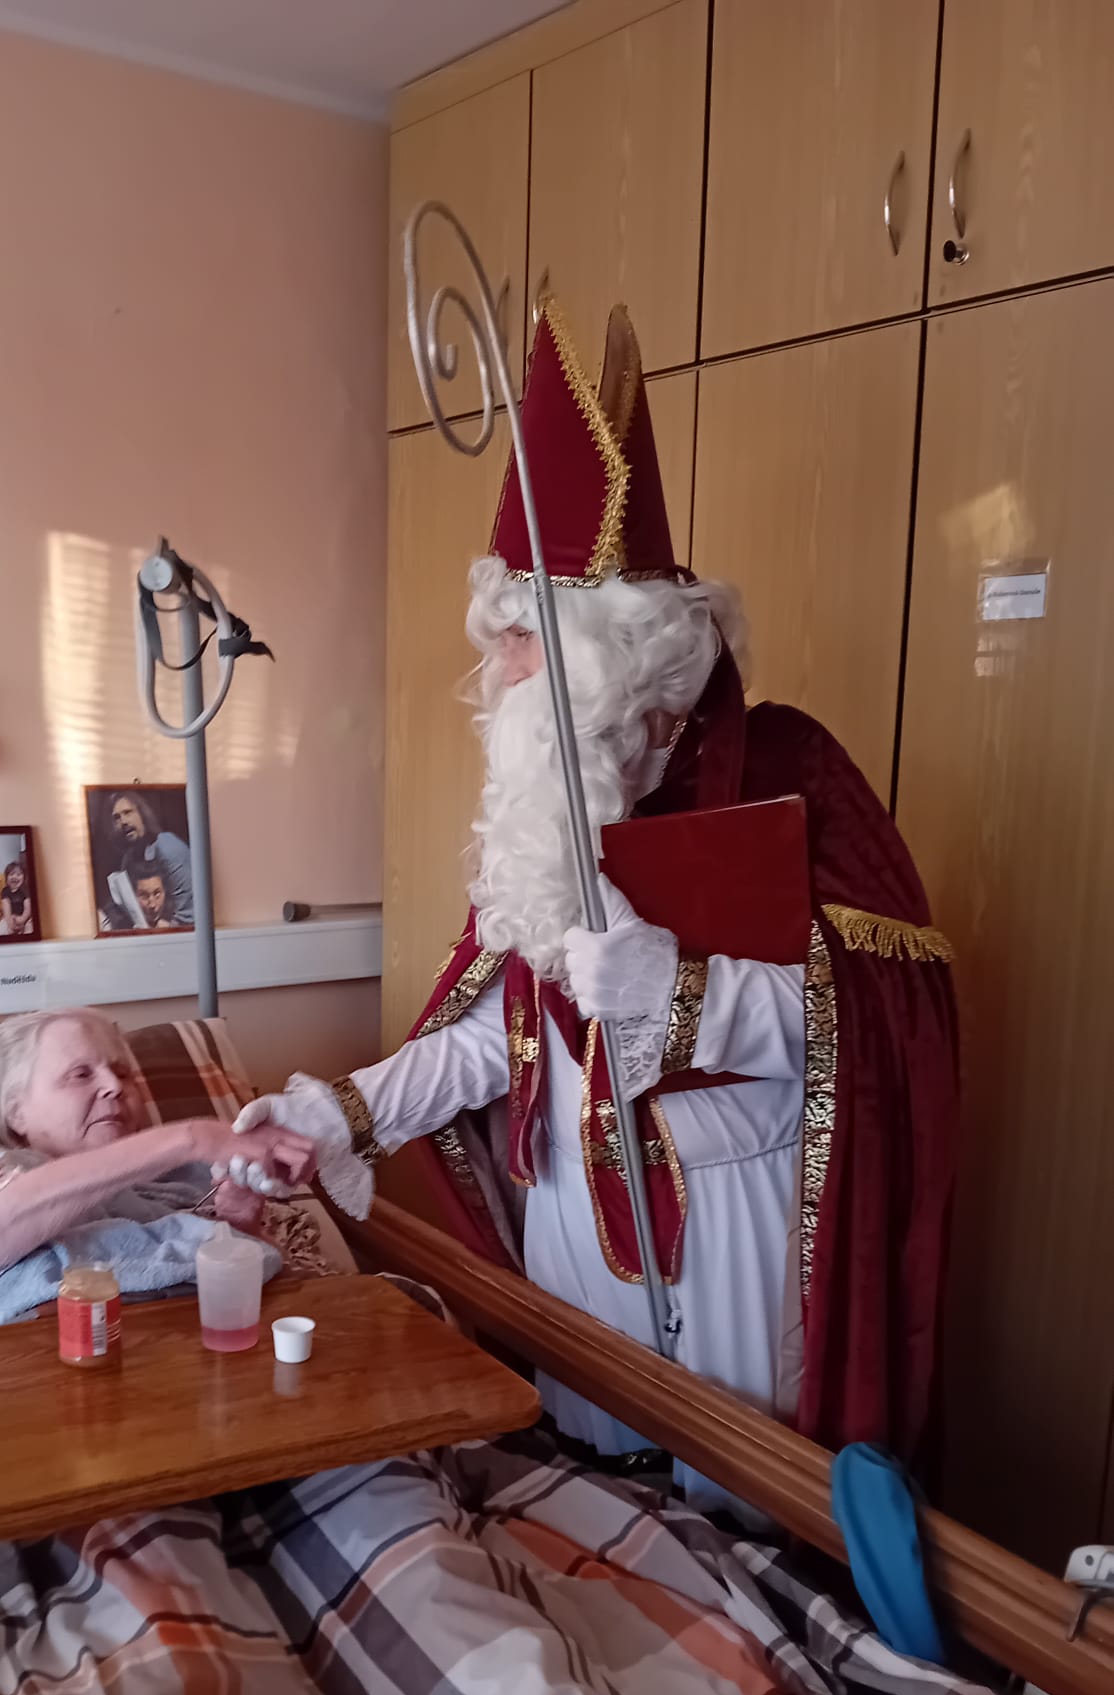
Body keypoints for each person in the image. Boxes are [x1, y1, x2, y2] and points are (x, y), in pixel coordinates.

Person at [240, 298, 957, 1510]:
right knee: (596, 1508)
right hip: (573, 1228)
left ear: (608, 649)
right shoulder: (548, 808)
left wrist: (687, 996)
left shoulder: (788, 770)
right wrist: (339, 1113)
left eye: (518, 639)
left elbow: (889, 1036)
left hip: (732, 1228)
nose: (493, 675)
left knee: (738, 1522)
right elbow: (496, 1038)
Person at [0, 1007, 314, 1338]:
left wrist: (240, 1225)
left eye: (122, 1072)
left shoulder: (184, 1184)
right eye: (80, 1075)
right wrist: (190, 1137)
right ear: (16, 1112)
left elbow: (279, 1298)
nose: (114, 1086)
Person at [108, 792, 194, 926]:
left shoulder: (167, 846)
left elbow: (189, 911)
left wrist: (169, 926)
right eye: (117, 818)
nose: (123, 822)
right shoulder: (128, 859)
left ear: (142, 814)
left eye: (128, 812)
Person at [0, 858, 34, 937]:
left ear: (24, 877)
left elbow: (28, 908)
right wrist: (10, 924)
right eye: (11, 874)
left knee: (30, 928)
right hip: (9, 918)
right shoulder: (5, 891)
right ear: (6, 878)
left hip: (24, 918)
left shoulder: (25, 890)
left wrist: (22, 919)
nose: (14, 877)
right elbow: (6, 908)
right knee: (0, 930)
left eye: (19, 874)